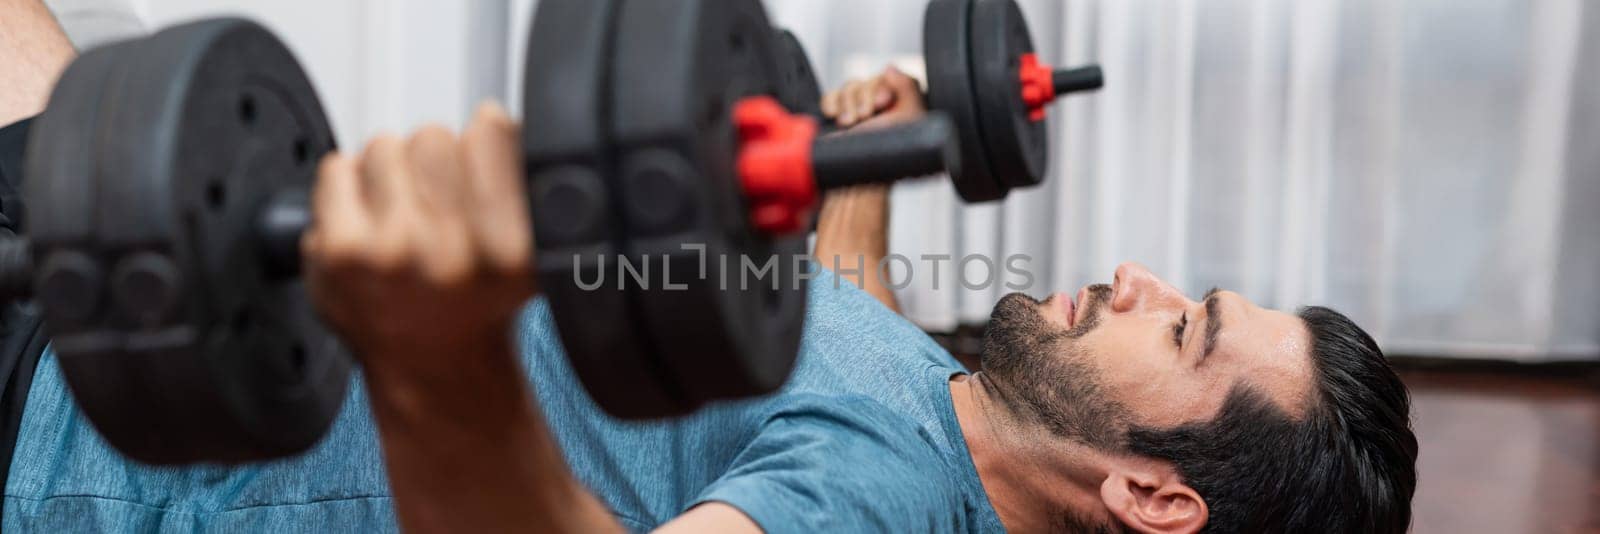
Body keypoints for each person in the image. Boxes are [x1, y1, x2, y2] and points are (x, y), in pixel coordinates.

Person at [0, 3, 1417, 531]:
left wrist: (443, 350)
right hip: (167, 263)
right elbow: (837, 349)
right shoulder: (945, 411)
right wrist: (842, 169)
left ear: (1156, 495)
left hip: (94, 420)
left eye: (1186, 332)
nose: (1139, 278)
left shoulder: (889, 501)